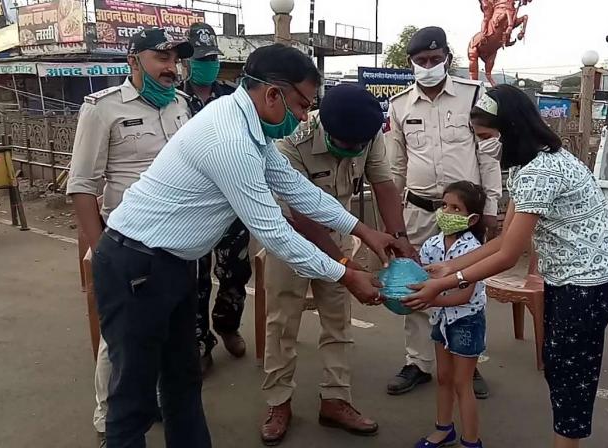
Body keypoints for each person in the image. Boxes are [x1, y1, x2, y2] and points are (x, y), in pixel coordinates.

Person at [92, 43, 404, 448]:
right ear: (273, 94)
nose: (304, 116)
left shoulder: (248, 126)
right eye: (300, 105)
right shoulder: (230, 140)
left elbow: (297, 188)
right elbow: (274, 231)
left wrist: (363, 230)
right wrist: (346, 273)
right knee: (132, 396)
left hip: (171, 265)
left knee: (181, 379)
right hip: (137, 265)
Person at [405, 84, 608, 448]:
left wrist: (448, 281)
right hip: (577, 279)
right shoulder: (539, 161)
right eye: (479, 137)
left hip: (585, 285)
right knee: (559, 367)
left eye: (489, 136)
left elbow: (508, 255)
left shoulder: (538, 173)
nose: (485, 146)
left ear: (511, 129)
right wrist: (450, 268)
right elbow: (500, 240)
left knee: (570, 378)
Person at [260, 84, 418, 445]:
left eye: (357, 147)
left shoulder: (369, 130)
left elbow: (383, 183)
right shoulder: (292, 140)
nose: (351, 152)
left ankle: (336, 399)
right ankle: (278, 402)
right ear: (325, 129)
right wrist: (346, 269)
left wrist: (399, 238)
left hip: (342, 234)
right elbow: (303, 216)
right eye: (344, 145)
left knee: (338, 324)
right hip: (292, 240)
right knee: (282, 324)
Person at [66, 28, 194, 448]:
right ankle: (110, 421)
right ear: (133, 61)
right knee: (118, 342)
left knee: (166, 340)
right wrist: (101, 249)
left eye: (175, 59)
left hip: (175, 245)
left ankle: (153, 403)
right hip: (124, 246)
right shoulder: (102, 108)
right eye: (161, 58)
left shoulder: (181, 105)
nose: (171, 68)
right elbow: (82, 185)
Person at [386, 26, 502, 399]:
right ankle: (417, 362)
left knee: (467, 285)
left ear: (448, 59)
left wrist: (492, 209)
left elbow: (488, 155)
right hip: (419, 210)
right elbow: (394, 167)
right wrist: (392, 223)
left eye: (436, 60)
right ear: (411, 64)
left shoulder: (473, 96)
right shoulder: (400, 104)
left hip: (464, 213)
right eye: (421, 61)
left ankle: (470, 359)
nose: (429, 66)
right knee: (415, 282)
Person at [183, 22, 248, 370]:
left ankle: (228, 326)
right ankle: (198, 339)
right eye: (200, 59)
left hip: (231, 202)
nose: (207, 65)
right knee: (195, 277)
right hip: (191, 206)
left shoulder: (232, 98)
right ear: (186, 62)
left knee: (235, 271)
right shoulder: (175, 98)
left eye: (211, 59)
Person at [413, 181, 489, 448]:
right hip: (442, 320)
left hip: (466, 320)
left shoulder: (474, 250)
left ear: (473, 218)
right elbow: (421, 276)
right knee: (443, 377)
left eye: (456, 208)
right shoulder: (432, 244)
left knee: (461, 382)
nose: (446, 212)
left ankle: (471, 440)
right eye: (444, 205)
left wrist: (429, 298)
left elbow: (463, 296)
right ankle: (444, 429)